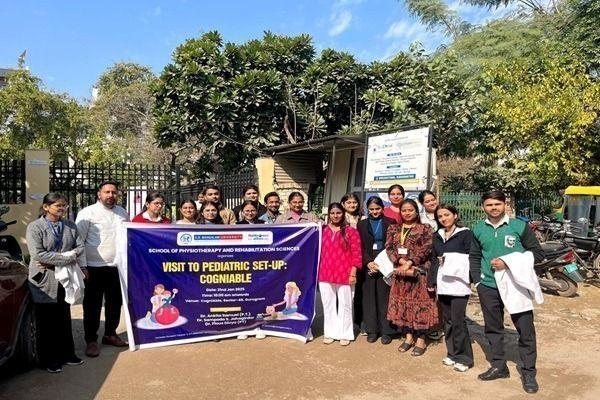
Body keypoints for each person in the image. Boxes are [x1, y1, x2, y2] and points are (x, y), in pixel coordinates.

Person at [470, 191, 544, 394]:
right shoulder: (478, 229)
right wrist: (478, 281)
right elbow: (474, 256)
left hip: (516, 285)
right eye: (489, 204)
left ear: (505, 204)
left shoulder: (518, 226)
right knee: (493, 329)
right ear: (483, 207)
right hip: (488, 286)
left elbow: (537, 253)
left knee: (525, 330)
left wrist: (508, 262)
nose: (493, 208)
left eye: (497, 204)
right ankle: (499, 366)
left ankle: (528, 372)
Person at [26, 193, 86, 373]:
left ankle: (68, 354)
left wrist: (60, 260)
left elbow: (80, 247)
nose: (62, 209)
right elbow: (38, 254)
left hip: (65, 278)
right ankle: (48, 359)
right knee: (46, 320)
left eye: (64, 205)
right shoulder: (35, 227)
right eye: (58, 205)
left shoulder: (70, 225)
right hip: (44, 280)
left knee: (64, 317)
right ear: (46, 207)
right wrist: (67, 258)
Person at [75, 180, 129, 357]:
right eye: (107, 192)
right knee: (93, 305)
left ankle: (110, 334)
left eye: (114, 192)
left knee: (115, 303)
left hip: (116, 266)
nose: (111, 195)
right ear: (99, 194)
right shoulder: (87, 213)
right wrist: (82, 266)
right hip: (93, 267)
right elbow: (78, 241)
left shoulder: (122, 213)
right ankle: (91, 340)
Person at [386, 199, 437, 356]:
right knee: (404, 304)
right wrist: (401, 262)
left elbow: (427, 247)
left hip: (418, 272)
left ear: (416, 211)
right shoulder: (394, 228)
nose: (407, 213)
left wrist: (410, 263)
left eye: (410, 210)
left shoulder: (425, 228)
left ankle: (421, 339)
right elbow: (389, 247)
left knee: (420, 306)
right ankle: (408, 337)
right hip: (401, 273)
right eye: (404, 210)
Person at [428, 204, 474, 372]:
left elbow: (472, 256)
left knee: (458, 320)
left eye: (446, 215)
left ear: (455, 215)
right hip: (443, 282)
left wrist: (450, 260)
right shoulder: (437, 235)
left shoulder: (466, 234)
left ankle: (464, 358)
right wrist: (431, 281)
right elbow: (434, 259)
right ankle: (452, 353)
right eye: (440, 216)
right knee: (447, 320)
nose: (443, 219)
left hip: (459, 283)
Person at [319, 203, 362, 346]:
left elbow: (357, 254)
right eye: (332, 213)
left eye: (338, 213)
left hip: (345, 273)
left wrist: (353, 274)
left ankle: (345, 333)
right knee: (328, 304)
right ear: (328, 214)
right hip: (325, 273)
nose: (335, 216)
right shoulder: (322, 230)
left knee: (346, 304)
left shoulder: (351, 231)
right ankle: (330, 332)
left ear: (343, 214)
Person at [357, 196, 397, 345]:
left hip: (385, 261)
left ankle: (387, 330)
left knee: (384, 296)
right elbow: (359, 246)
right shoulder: (361, 224)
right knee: (369, 297)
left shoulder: (391, 222)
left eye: (378, 209)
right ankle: (372, 330)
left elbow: (394, 244)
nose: (375, 212)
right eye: (371, 209)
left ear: (383, 208)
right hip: (368, 261)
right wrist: (368, 262)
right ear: (367, 209)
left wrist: (383, 262)